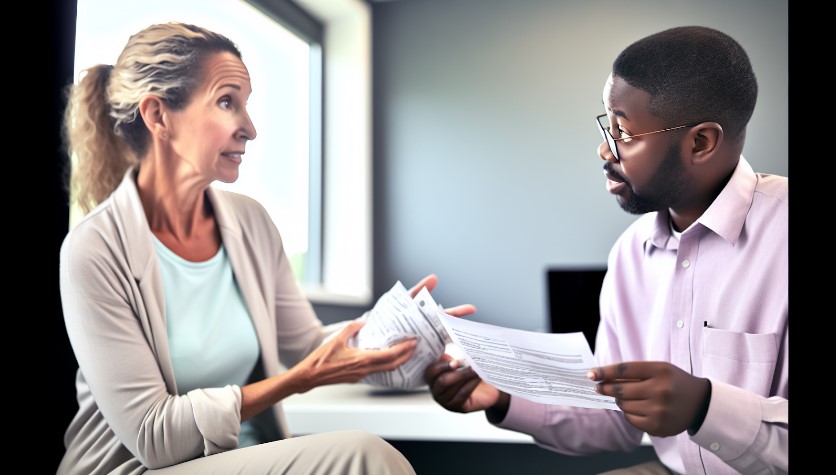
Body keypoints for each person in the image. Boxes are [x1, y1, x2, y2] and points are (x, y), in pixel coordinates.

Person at [58, 21, 475, 474]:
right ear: (159, 116)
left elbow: (308, 345)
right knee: (364, 456)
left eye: (246, 105)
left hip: (237, 457)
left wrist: (412, 332)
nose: (250, 128)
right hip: (137, 468)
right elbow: (153, 436)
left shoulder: (250, 222)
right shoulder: (94, 248)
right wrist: (297, 381)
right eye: (227, 102)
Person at [424, 25, 787, 475]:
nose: (604, 149)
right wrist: (500, 397)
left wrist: (704, 407)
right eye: (607, 126)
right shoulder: (631, 253)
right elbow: (615, 419)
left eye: (624, 133)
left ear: (700, 143)